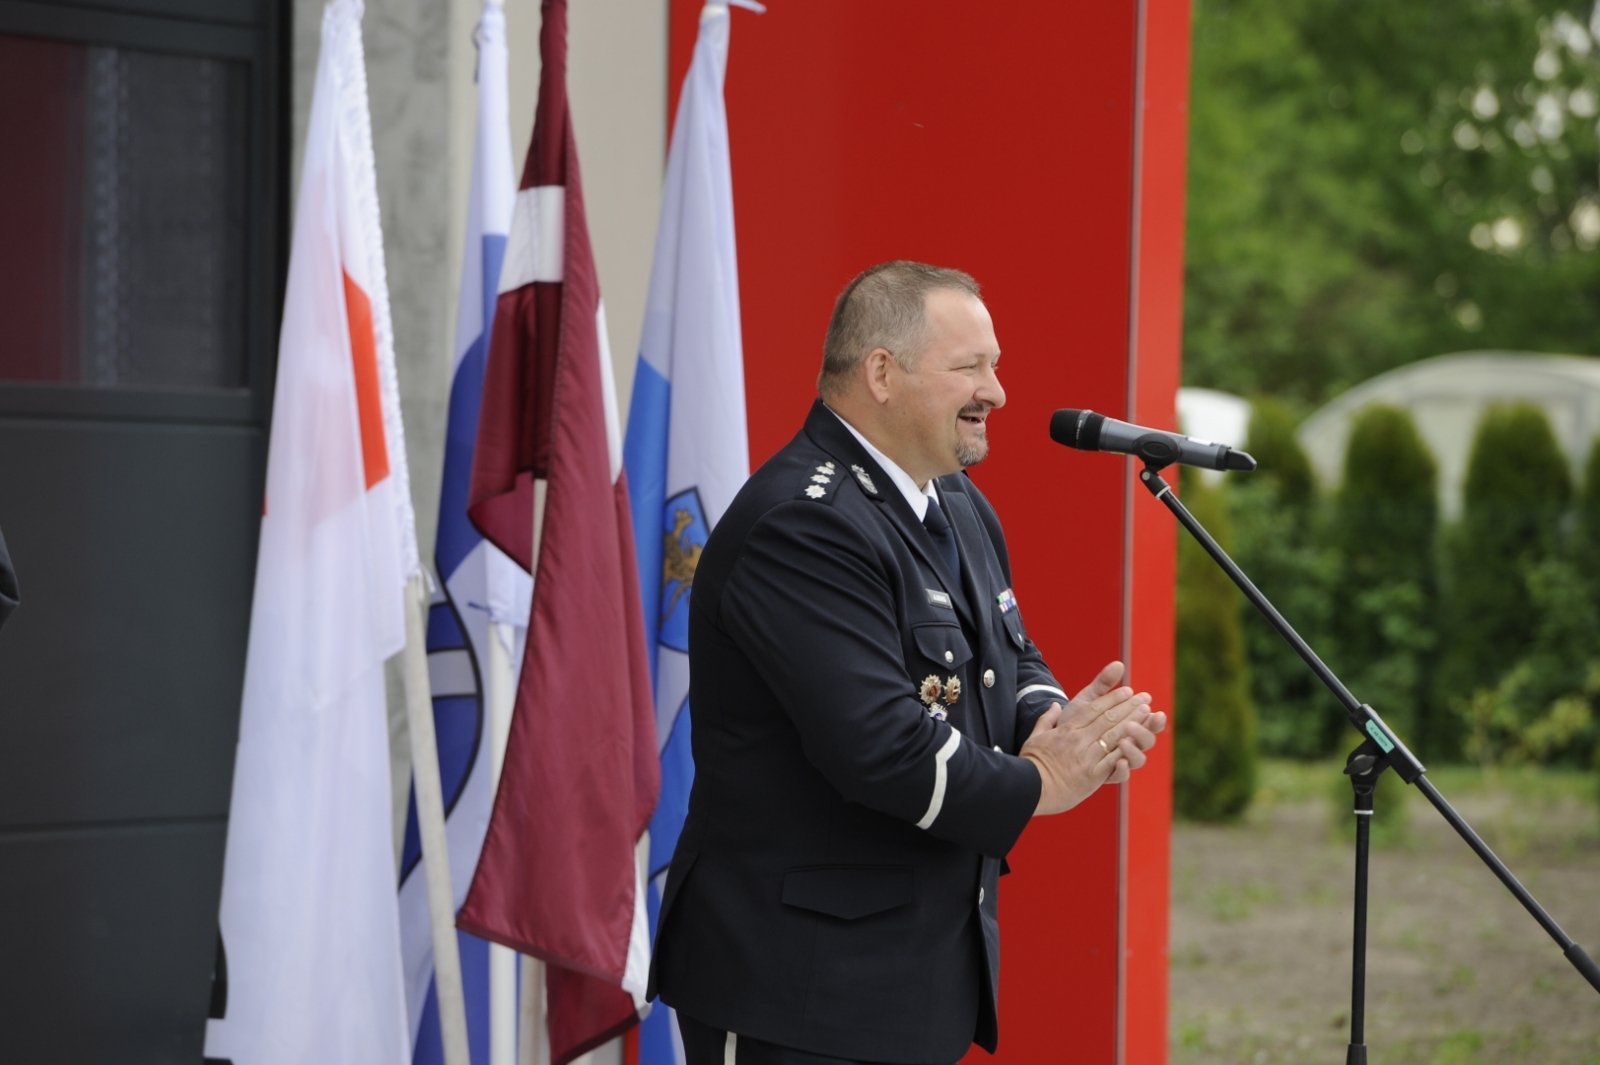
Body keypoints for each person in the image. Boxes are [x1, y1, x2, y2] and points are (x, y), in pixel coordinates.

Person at [648, 261, 1166, 1065]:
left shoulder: (953, 499)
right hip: (796, 991)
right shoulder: (803, 523)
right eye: (971, 367)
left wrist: (1058, 721)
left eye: (994, 366)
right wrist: (1043, 781)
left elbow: (1007, 653)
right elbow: (882, 748)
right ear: (881, 373)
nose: (997, 391)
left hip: (909, 981)